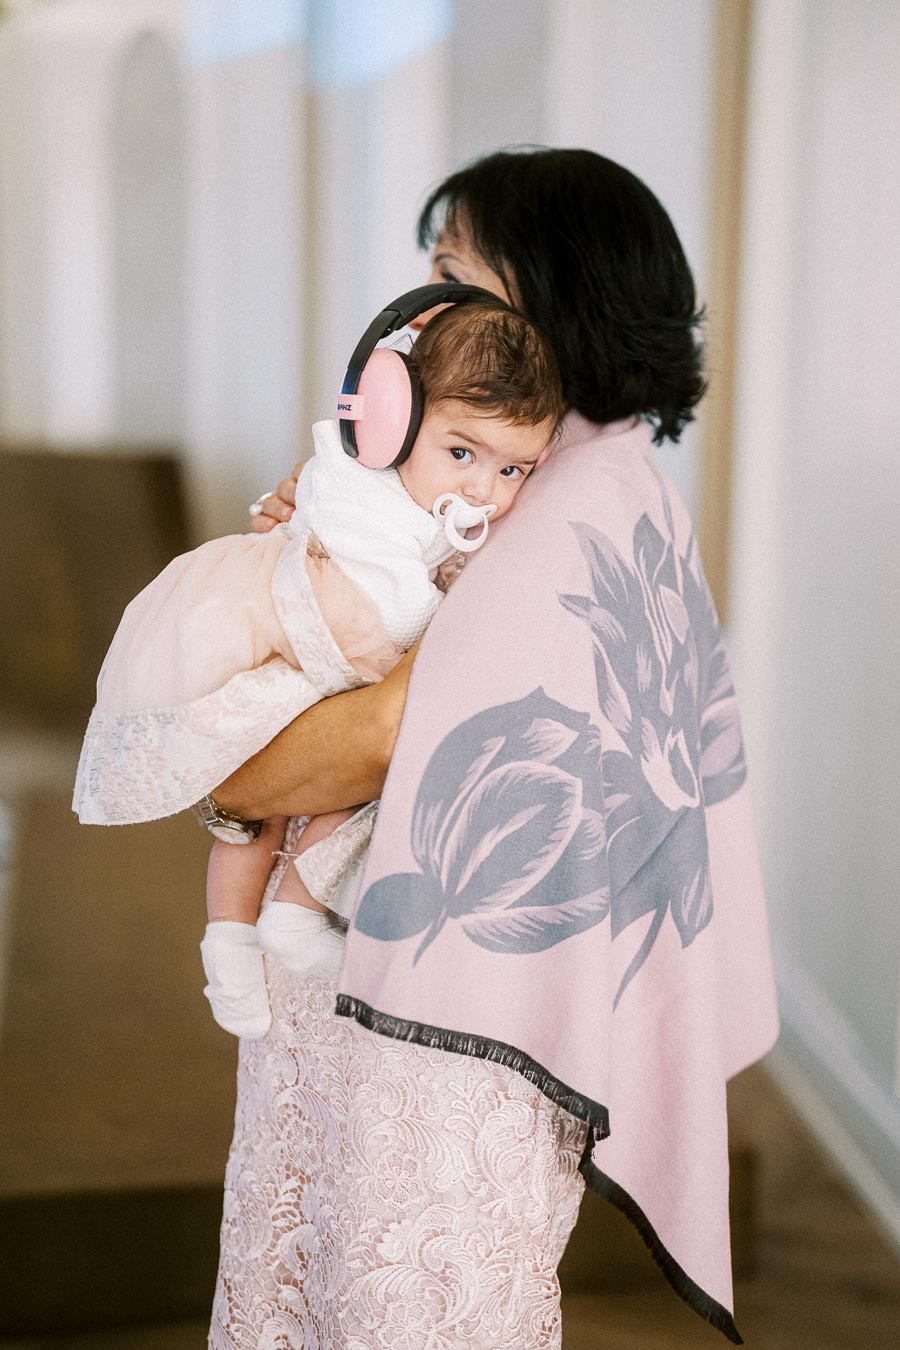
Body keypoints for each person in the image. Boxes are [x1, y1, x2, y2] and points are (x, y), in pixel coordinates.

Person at [206, 147, 778, 1348]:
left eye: (456, 273)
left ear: (553, 294)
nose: (430, 310)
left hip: (439, 1059)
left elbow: (348, 747)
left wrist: (222, 757)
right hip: (415, 1018)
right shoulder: (586, 478)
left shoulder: (564, 517)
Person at [73, 295, 563, 1039]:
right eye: (462, 454)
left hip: (330, 671)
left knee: (325, 797)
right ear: (392, 420)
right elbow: (374, 599)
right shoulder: (360, 479)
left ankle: (289, 912)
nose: (482, 490)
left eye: (514, 469)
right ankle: (230, 936)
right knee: (256, 813)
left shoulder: (443, 510)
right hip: (297, 644)